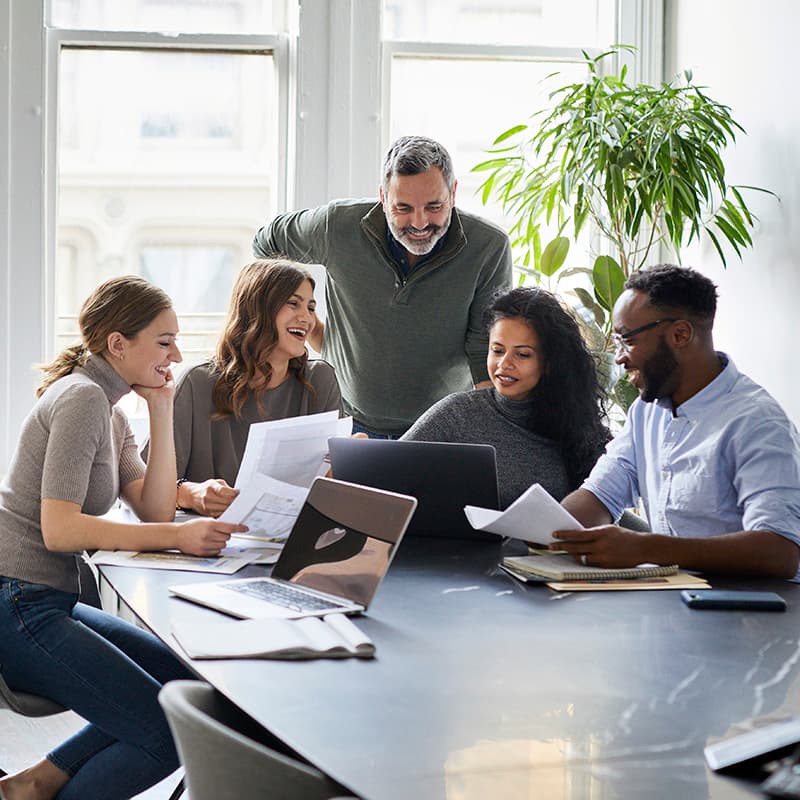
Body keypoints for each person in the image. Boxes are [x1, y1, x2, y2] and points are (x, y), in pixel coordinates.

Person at [0, 276, 246, 800]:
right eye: (164, 341)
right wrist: (180, 538)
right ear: (118, 343)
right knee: (165, 733)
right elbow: (59, 529)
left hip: (46, 599)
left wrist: (160, 405)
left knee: (189, 686)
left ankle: (34, 783)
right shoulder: (83, 399)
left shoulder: (109, 410)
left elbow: (154, 505)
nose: (177, 354)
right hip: (19, 602)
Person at [252, 135, 513, 438]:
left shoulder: (488, 247)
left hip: (439, 432)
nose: (419, 223)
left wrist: (488, 439)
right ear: (383, 197)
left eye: (434, 206)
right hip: (347, 423)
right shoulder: (337, 226)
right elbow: (265, 243)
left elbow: (485, 355)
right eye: (403, 207)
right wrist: (305, 319)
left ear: (453, 193)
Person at [552, 264, 800, 579]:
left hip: (750, 614)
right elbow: (600, 494)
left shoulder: (758, 423)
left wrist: (645, 548)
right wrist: (550, 529)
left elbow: (780, 551)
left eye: (626, 340)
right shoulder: (647, 411)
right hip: (675, 605)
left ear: (680, 334)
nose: (619, 357)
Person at [402, 286, 611, 508]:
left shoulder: (581, 426)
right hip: (466, 542)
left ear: (550, 363)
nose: (504, 365)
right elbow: (389, 476)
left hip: (550, 543)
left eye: (522, 354)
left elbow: (607, 506)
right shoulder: (457, 414)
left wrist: (649, 540)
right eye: (497, 350)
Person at [164, 258, 342, 517]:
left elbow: (331, 485)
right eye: (293, 304)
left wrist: (347, 464)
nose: (307, 318)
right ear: (257, 309)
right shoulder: (197, 383)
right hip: (212, 539)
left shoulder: (320, 379)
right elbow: (144, 485)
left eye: (311, 307)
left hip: (294, 533)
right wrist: (191, 494)